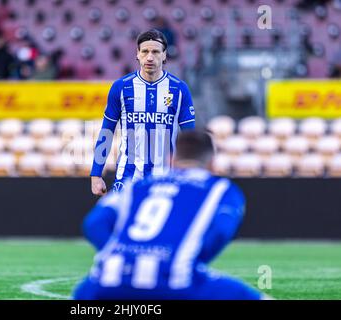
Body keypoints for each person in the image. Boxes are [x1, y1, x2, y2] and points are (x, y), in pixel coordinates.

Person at [74, 130, 269, 300]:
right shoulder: (221, 188)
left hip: (106, 281)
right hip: (176, 282)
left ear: (171, 159)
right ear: (212, 163)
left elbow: (94, 223)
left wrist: (121, 254)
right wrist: (186, 261)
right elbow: (221, 230)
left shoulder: (136, 185)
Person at [90, 29, 196, 195]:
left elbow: (190, 137)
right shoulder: (121, 87)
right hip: (128, 176)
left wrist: (193, 174)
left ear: (164, 55)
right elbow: (106, 132)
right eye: (145, 51)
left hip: (167, 176)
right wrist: (96, 174)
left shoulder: (179, 89)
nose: (150, 57)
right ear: (137, 54)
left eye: (155, 51)